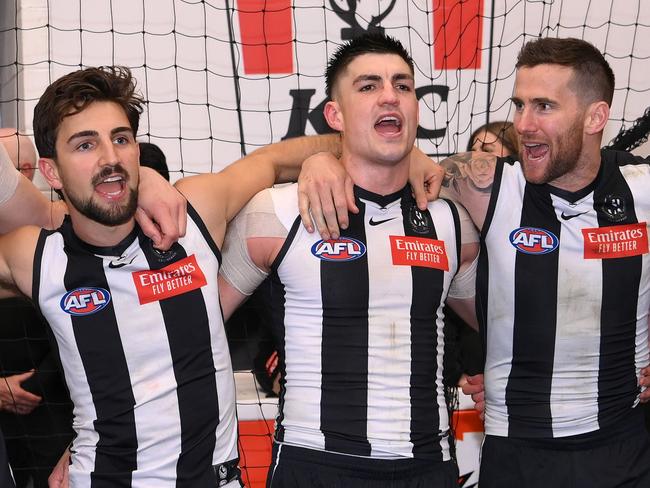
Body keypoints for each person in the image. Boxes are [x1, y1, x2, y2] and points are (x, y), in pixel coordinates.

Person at [0, 63, 361, 487]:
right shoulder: (34, 255)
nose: (110, 158)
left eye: (121, 139)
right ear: (52, 173)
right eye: (85, 145)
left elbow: (274, 161)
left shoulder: (195, 213)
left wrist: (334, 156)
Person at [218, 33, 479, 487]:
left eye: (402, 85)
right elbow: (185, 333)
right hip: (314, 465)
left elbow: (505, 321)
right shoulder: (274, 213)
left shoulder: (451, 220)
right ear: (334, 115)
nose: (388, 96)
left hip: (427, 465)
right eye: (368, 86)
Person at [0, 130, 74, 488]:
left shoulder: (57, 233)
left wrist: (27, 387)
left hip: (53, 412)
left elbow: (75, 324)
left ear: (26, 170)